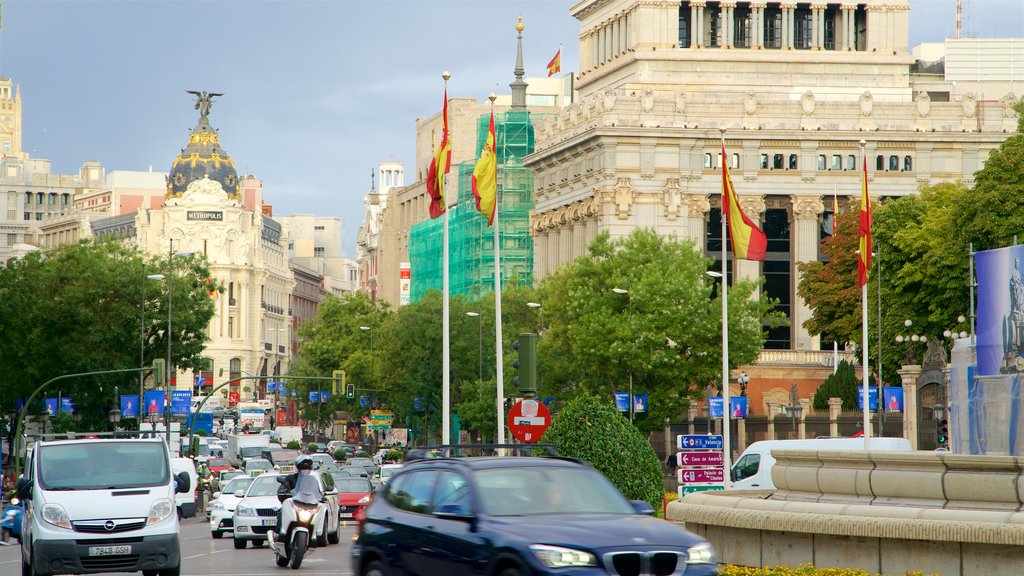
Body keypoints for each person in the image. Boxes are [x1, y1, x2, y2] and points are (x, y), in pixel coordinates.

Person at [270, 455, 323, 543]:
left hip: (307, 505)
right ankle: (279, 532)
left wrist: (321, 497)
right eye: (303, 468)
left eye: (307, 468)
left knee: (317, 512)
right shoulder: (291, 478)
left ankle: (313, 533)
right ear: (298, 468)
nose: (305, 470)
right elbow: (284, 487)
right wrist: (283, 491)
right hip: (293, 504)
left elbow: (316, 491)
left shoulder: (312, 479)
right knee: (282, 509)